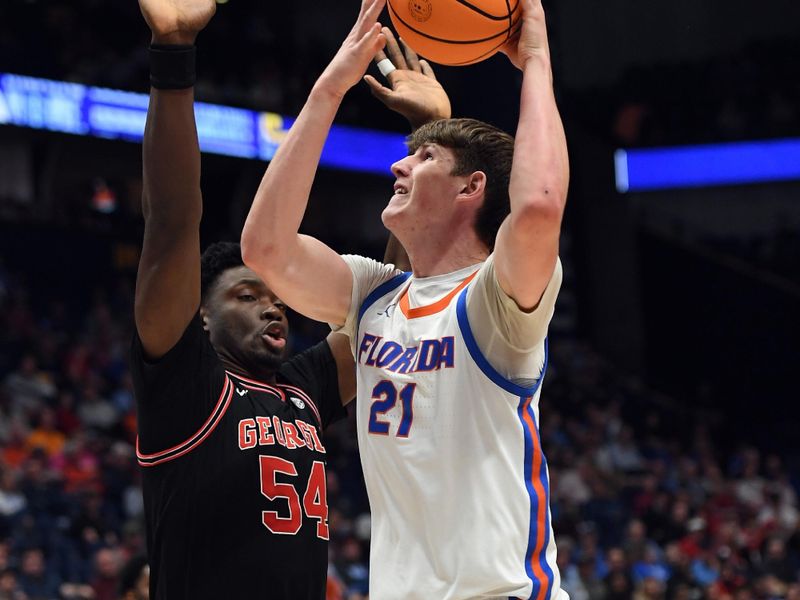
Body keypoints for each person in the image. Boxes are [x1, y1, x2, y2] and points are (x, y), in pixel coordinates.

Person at [240, 0, 570, 597]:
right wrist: (329, 89)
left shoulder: (495, 301)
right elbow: (266, 249)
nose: (398, 163)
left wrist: (538, 60)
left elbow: (540, 205)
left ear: (473, 188)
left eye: (423, 159)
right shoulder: (374, 293)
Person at [132, 0, 447, 598]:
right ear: (200, 317)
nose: (273, 306)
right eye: (248, 295)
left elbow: (394, 301)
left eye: (275, 296)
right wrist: (173, 51)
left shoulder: (301, 388)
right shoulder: (184, 384)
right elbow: (172, 221)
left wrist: (426, 145)